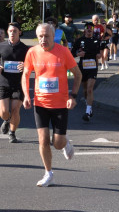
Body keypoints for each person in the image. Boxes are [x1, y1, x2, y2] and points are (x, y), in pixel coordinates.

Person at [22, 23, 80, 187]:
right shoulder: (32, 52)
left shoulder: (63, 52)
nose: (43, 39)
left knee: (57, 143)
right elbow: (26, 74)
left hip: (60, 104)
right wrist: (26, 95)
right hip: (40, 103)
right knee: (43, 140)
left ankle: (65, 142)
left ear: (53, 36)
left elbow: (78, 74)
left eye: (46, 36)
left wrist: (73, 96)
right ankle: (48, 173)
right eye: (40, 36)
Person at [0, 22, 29, 142]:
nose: (12, 33)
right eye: (10, 31)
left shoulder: (25, 48)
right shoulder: (1, 46)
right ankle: (7, 120)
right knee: (3, 111)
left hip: (18, 84)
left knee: (15, 109)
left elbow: (30, 64)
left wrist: (25, 66)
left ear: (19, 32)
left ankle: (12, 133)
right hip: (4, 83)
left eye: (15, 31)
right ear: (7, 32)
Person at [70, 21, 102, 121]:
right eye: (87, 29)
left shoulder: (97, 40)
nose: (89, 31)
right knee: (85, 90)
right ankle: (89, 107)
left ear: (93, 31)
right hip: (83, 67)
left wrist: (99, 55)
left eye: (91, 29)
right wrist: (78, 54)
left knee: (89, 89)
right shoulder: (79, 40)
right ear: (84, 30)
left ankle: (88, 111)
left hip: (93, 67)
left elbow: (101, 53)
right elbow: (72, 54)